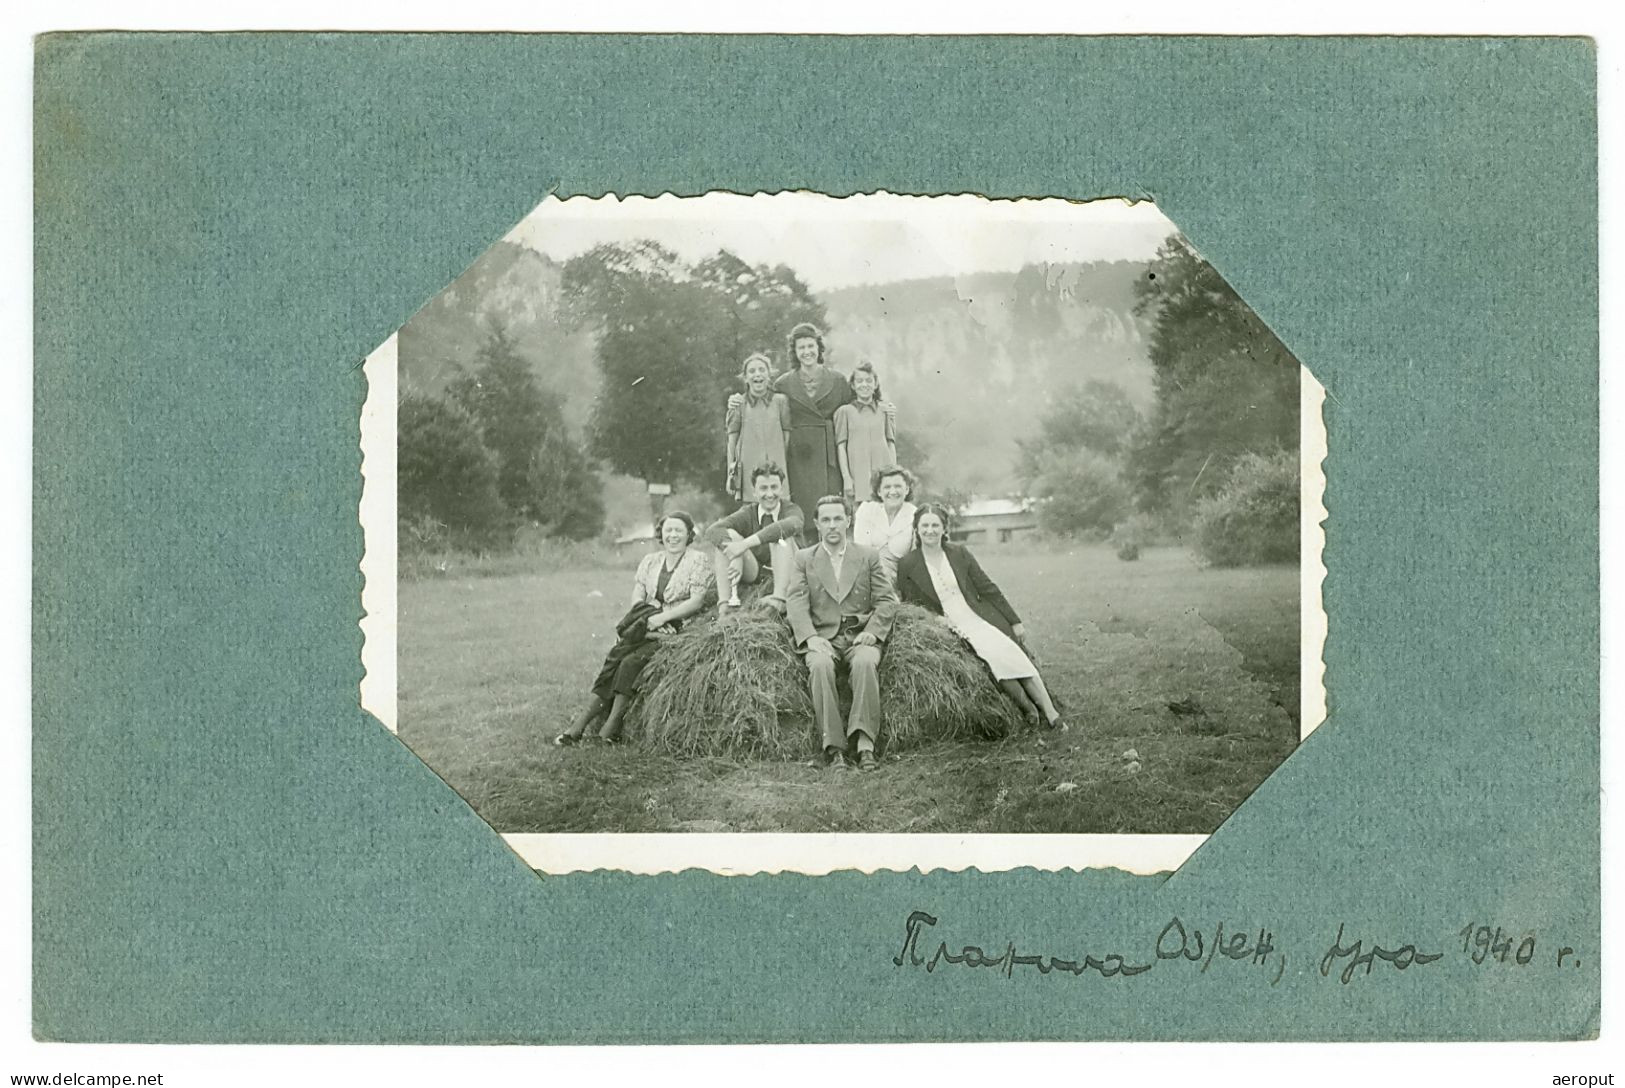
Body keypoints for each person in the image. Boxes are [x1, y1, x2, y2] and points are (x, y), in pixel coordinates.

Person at [894, 503, 1067, 731]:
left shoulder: (959, 553)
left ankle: (1051, 713)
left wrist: (1014, 621)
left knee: (1011, 652)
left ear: (944, 528)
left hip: (977, 616)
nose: (930, 530)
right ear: (916, 529)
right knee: (991, 657)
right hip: (946, 623)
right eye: (924, 525)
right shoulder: (908, 564)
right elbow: (912, 602)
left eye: (935, 525)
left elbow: (987, 588)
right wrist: (935, 620)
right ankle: (1028, 708)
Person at [555, 512, 713, 746]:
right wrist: (649, 616)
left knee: (631, 663)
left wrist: (664, 618)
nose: (673, 536)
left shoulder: (698, 560)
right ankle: (578, 727)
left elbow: (697, 601)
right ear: (661, 533)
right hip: (648, 625)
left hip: (679, 628)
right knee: (615, 659)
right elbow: (638, 594)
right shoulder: (651, 560)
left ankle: (610, 728)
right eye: (668, 530)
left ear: (689, 534)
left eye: (679, 530)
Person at [785, 495, 898, 771]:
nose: (833, 525)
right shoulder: (804, 558)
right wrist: (810, 638)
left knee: (865, 662)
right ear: (816, 524)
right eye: (826, 520)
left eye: (838, 519)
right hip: (823, 636)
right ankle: (834, 748)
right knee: (820, 666)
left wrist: (873, 631)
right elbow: (796, 602)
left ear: (849, 521)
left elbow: (886, 600)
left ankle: (865, 744)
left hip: (859, 635)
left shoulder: (867, 556)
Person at [772, 324, 853, 540]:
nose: (807, 352)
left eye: (811, 346)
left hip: (830, 454)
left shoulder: (838, 380)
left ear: (819, 348)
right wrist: (735, 402)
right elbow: (767, 409)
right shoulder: (783, 383)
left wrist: (885, 409)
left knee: (831, 510)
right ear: (795, 352)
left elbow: (855, 411)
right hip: (799, 455)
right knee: (804, 511)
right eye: (801, 348)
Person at [703, 462, 804, 614]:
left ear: (781, 489)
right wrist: (736, 555)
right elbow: (713, 530)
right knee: (727, 538)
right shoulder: (748, 512)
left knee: (780, 537)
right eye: (763, 488)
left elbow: (791, 525)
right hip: (758, 573)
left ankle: (779, 600)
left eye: (774, 487)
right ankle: (724, 604)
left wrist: (743, 545)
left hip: (791, 570)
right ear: (755, 492)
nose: (770, 494)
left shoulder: (791, 509)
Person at [723, 353, 790, 501]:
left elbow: (787, 438)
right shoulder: (738, 404)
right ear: (745, 378)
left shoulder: (780, 402)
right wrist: (731, 475)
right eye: (752, 371)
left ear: (769, 375)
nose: (757, 374)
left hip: (777, 469)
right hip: (749, 470)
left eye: (762, 370)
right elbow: (732, 442)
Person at [834, 360, 897, 504]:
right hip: (858, 478)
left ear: (875, 384)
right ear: (853, 385)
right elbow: (841, 447)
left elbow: (890, 443)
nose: (864, 385)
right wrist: (847, 479)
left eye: (869, 381)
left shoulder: (885, 410)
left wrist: (894, 474)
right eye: (860, 381)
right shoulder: (845, 411)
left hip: (882, 475)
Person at [851, 463, 917, 581]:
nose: (892, 492)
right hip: (867, 575)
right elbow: (860, 553)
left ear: (906, 489)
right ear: (879, 491)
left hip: (900, 579)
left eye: (898, 486)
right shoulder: (866, 510)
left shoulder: (914, 514)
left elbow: (915, 558)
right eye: (887, 487)